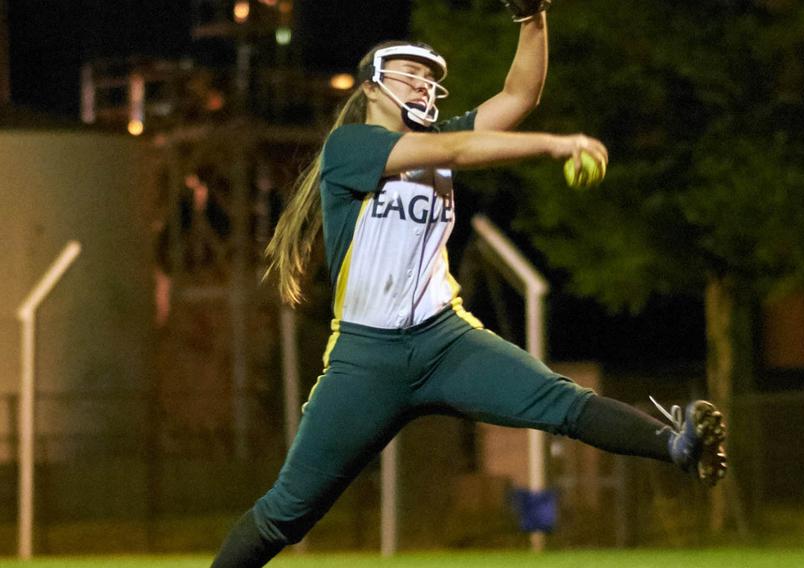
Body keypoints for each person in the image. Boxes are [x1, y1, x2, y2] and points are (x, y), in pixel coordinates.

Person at [211, 3, 727, 566]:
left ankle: (678, 446)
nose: (424, 83)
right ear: (371, 89)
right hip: (367, 357)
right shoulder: (351, 147)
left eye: (431, 77)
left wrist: (533, 19)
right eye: (410, 72)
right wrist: (553, 145)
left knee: (562, 402)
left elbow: (520, 96)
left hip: (446, 341)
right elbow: (455, 151)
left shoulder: (437, 138)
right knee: (288, 512)